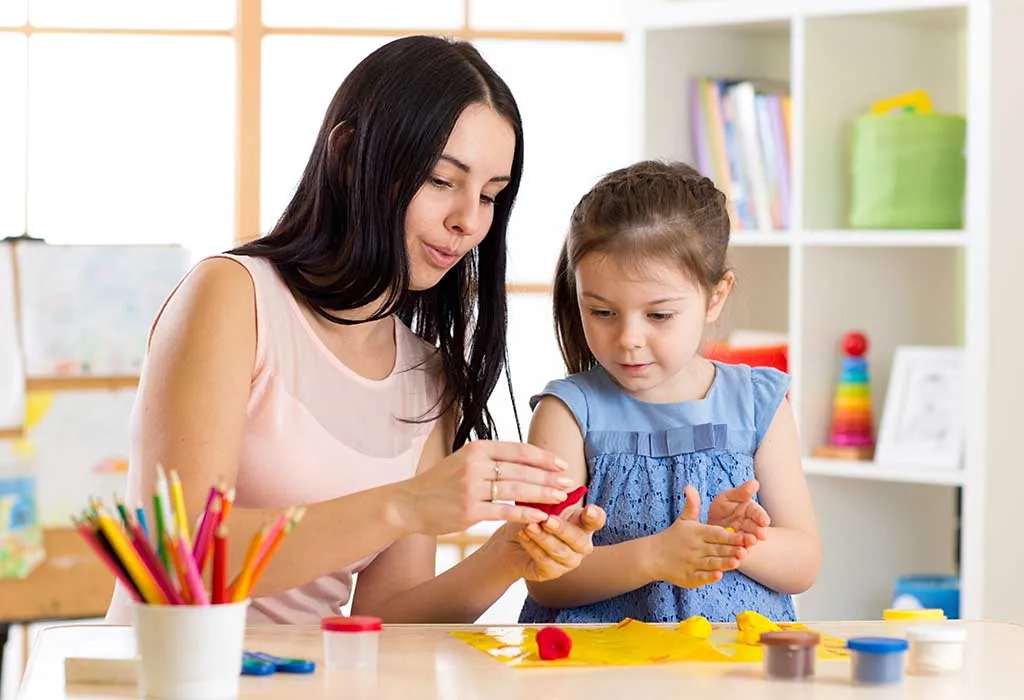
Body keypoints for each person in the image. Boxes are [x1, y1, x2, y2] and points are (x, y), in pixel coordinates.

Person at [106, 35, 606, 626]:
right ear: (348, 154)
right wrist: (403, 505)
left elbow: (389, 617)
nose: (468, 221)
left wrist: (510, 556)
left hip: (311, 673)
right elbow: (174, 554)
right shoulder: (233, 296)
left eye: (490, 196)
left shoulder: (426, 375)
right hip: (169, 669)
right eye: (441, 180)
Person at [517, 160, 821, 625]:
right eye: (601, 312)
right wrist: (655, 556)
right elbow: (546, 577)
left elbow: (803, 563)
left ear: (715, 297)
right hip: (601, 661)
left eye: (658, 315)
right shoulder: (568, 414)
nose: (628, 339)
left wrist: (726, 541)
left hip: (730, 660)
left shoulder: (758, 404)